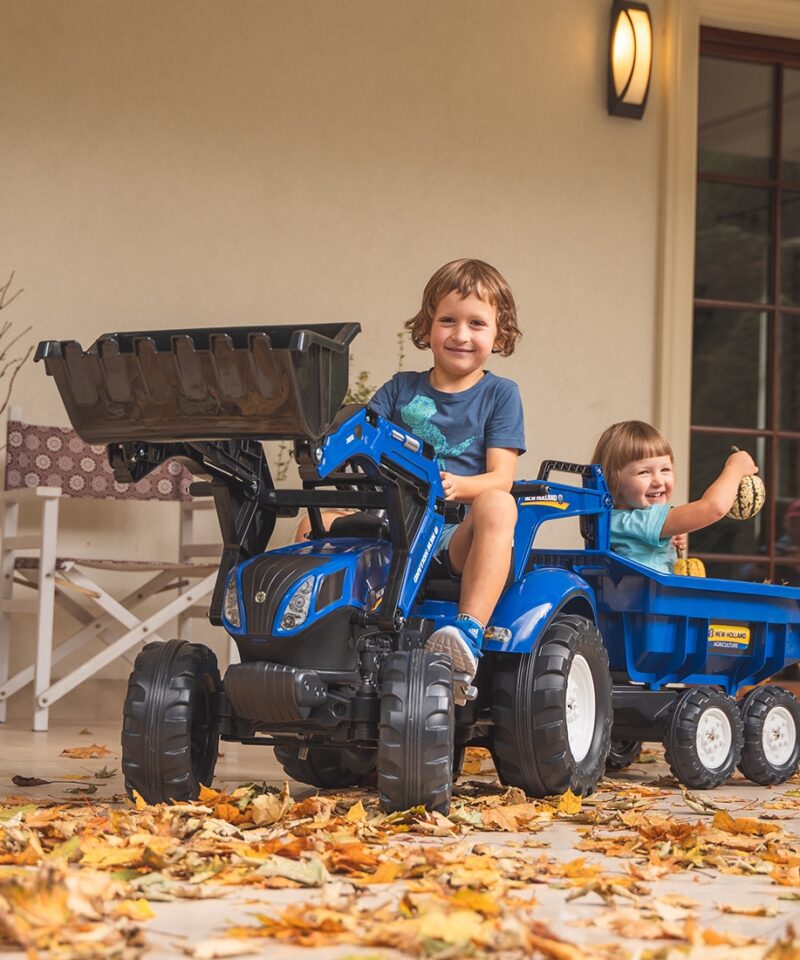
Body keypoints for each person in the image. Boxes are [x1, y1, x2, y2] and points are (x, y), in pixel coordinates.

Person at [369, 258, 525, 697]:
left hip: (449, 535)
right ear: (427, 327)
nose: (461, 334)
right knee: (311, 524)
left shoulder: (500, 395)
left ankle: (468, 633)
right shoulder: (401, 388)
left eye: (477, 323)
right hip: (388, 525)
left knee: (498, 504)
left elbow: (501, 476)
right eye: (448, 320)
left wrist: (455, 486)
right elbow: (363, 440)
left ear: (500, 334)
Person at [591, 420, 757, 574]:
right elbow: (713, 508)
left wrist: (667, 536)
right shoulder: (636, 520)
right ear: (613, 480)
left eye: (665, 470)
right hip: (649, 606)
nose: (658, 481)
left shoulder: (617, 520)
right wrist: (734, 469)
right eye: (644, 472)